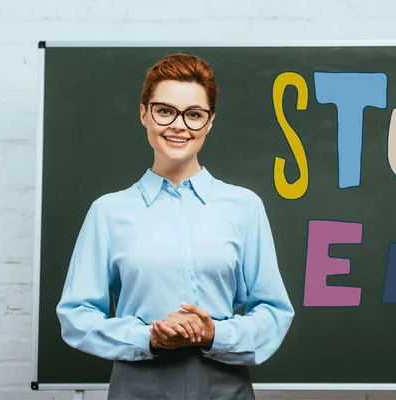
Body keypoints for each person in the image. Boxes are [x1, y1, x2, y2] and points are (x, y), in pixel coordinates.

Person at [56, 53, 295, 399]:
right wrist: (147, 338)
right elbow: (76, 315)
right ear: (144, 113)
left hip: (224, 388)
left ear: (209, 122)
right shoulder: (107, 212)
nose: (179, 126)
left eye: (194, 115)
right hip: (136, 387)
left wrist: (214, 334)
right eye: (165, 111)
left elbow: (273, 311)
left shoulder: (245, 208)